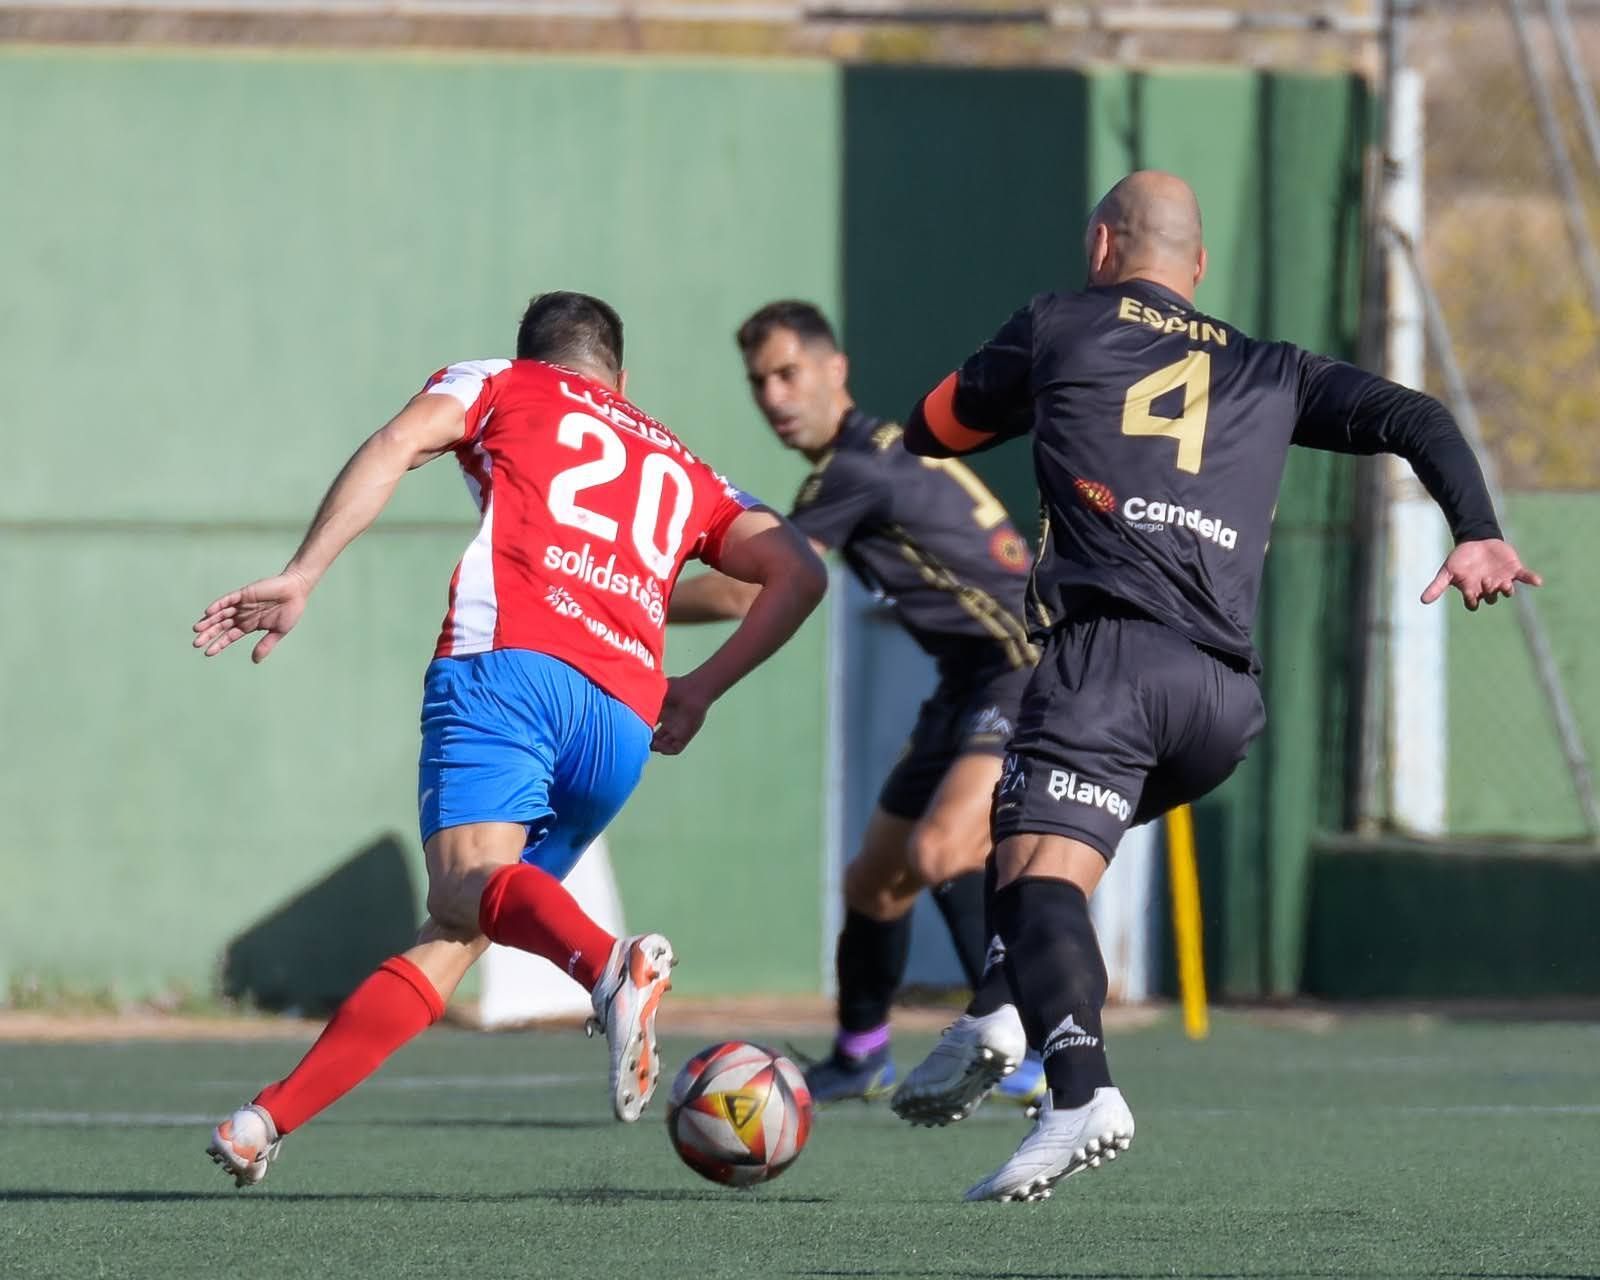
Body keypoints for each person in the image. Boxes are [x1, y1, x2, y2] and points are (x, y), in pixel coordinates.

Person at [897, 171, 1541, 1202]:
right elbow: (1411, 413)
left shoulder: (1060, 322)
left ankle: (1078, 1089)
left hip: (1105, 660)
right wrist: (1476, 529)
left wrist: (1040, 401)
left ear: (1100, 247)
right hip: (1219, 702)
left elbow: (934, 427)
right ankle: (997, 1008)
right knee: (1050, 860)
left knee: (1032, 879)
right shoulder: (1270, 367)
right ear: (1197, 268)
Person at [194, 291, 827, 1187]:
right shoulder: (683, 464)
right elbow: (796, 573)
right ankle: (268, 1120)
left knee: (465, 884)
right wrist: (703, 690)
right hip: (619, 720)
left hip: (511, 669)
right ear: (622, 377)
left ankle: (607, 964)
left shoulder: (500, 381)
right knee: (460, 925)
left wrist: (304, 572)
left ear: (533, 356)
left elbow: (395, 443)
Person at [669, 300, 1045, 1111]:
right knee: (876, 880)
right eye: (758, 382)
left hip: (1023, 668)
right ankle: (861, 1055)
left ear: (835, 370)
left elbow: (747, 592)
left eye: (787, 373)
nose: (773, 396)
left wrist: (627, 592)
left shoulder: (856, 469)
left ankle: (1032, 1044)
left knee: (945, 853)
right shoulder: (879, 453)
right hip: (965, 681)